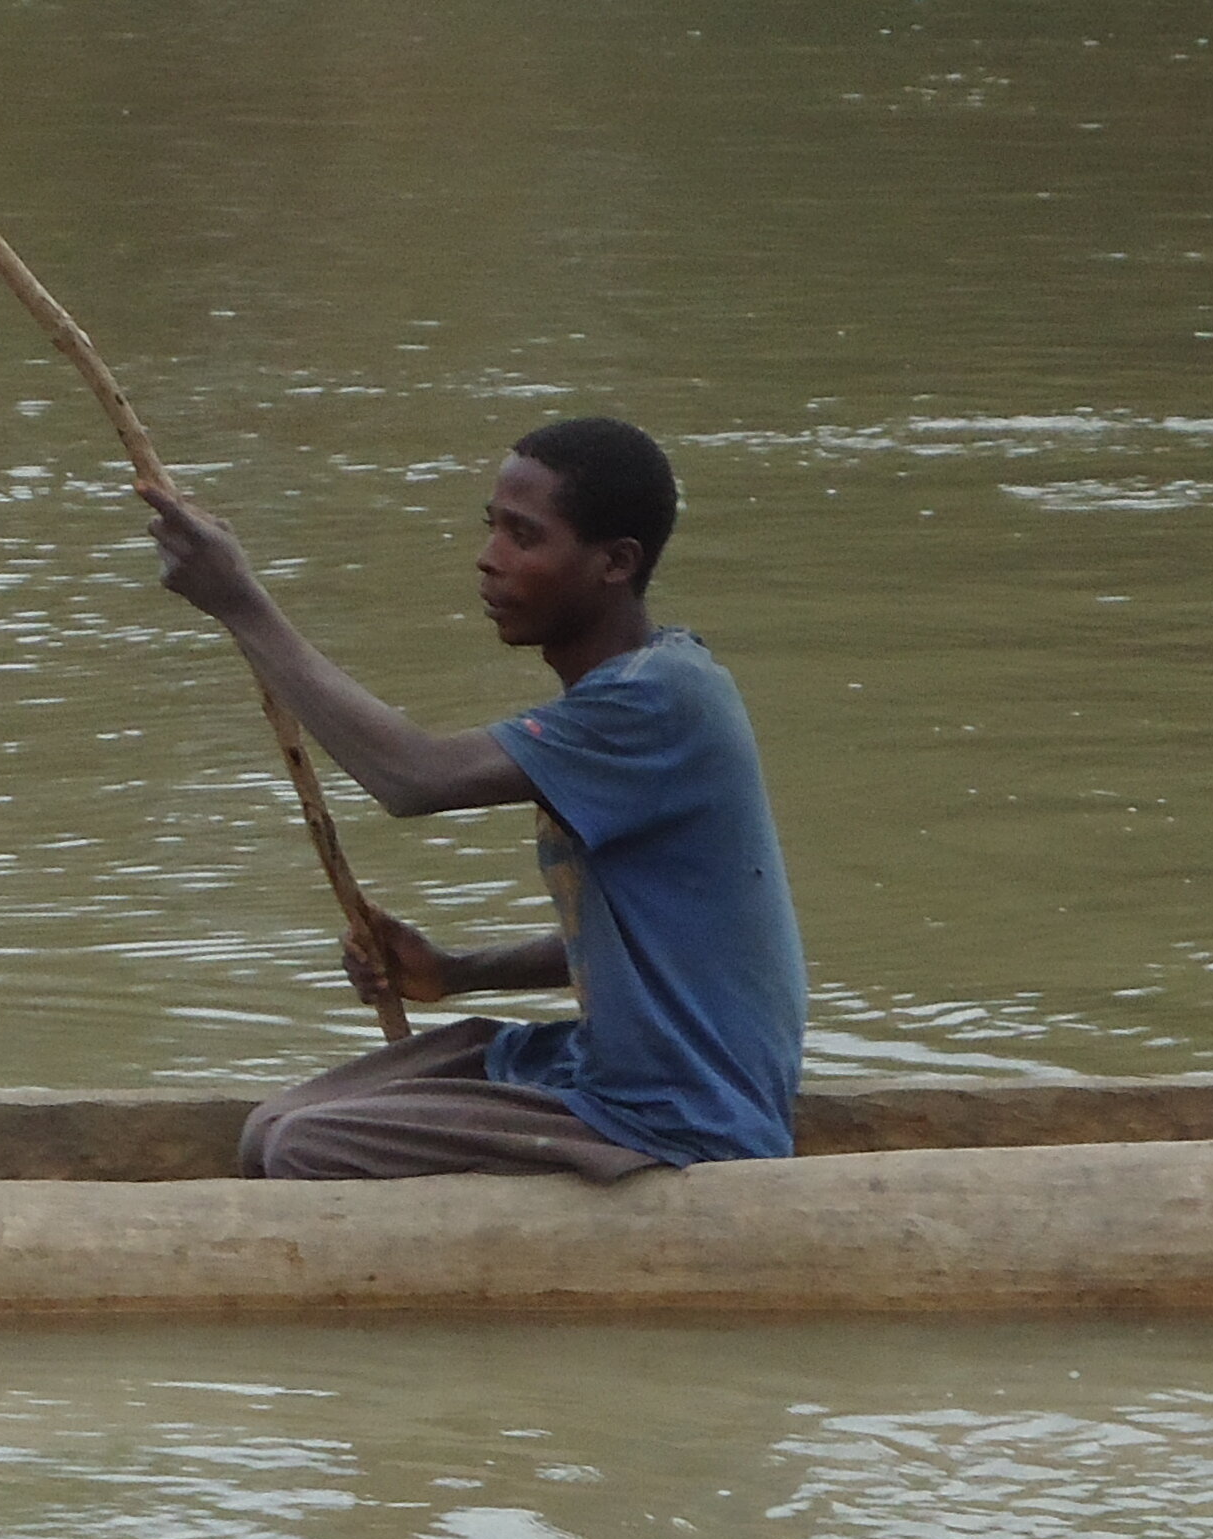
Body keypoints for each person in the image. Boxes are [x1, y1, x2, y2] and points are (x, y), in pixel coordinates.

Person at [147, 417, 805, 1182]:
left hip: (678, 1113)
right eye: (493, 529)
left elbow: (413, 777)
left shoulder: (656, 701)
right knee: (266, 1131)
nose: (489, 561)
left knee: (304, 1147)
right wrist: (456, 972)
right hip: (601, 1063)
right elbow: (655, 946)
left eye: (525, 538)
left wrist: (243, 604)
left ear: (614, 563)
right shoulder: (640, 688)